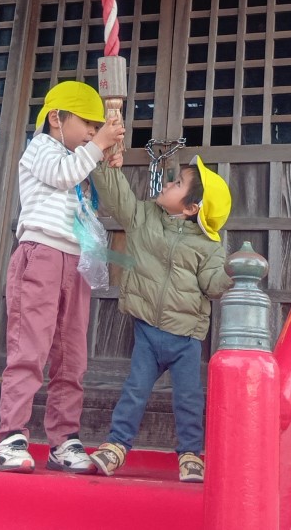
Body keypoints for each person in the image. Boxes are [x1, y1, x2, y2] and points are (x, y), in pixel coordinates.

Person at [0, 80, 125, 473]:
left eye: (96, 126)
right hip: (41, 256)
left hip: (76, 261)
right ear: (56, 118)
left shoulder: (80, 157)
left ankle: (63, 439)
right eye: (87, 122)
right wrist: (98, 146)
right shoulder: (42, 149)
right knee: (29, 348)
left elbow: (101, 200)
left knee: (72, 357)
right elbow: (63, 174)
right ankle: (11, 435)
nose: (91, 131)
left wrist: (109, 162)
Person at [88, 155, 232, 483]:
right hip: (148, 332)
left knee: (188, 398)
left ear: (192, 208)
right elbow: (119, 196)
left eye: (177, 183)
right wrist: (104, 160)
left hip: (185, 338)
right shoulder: (143, 217)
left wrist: (231, 274)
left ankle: (191, 454)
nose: (167, 184)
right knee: (134, 390)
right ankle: (116, 445)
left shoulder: (209, 246)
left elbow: (212, 284)